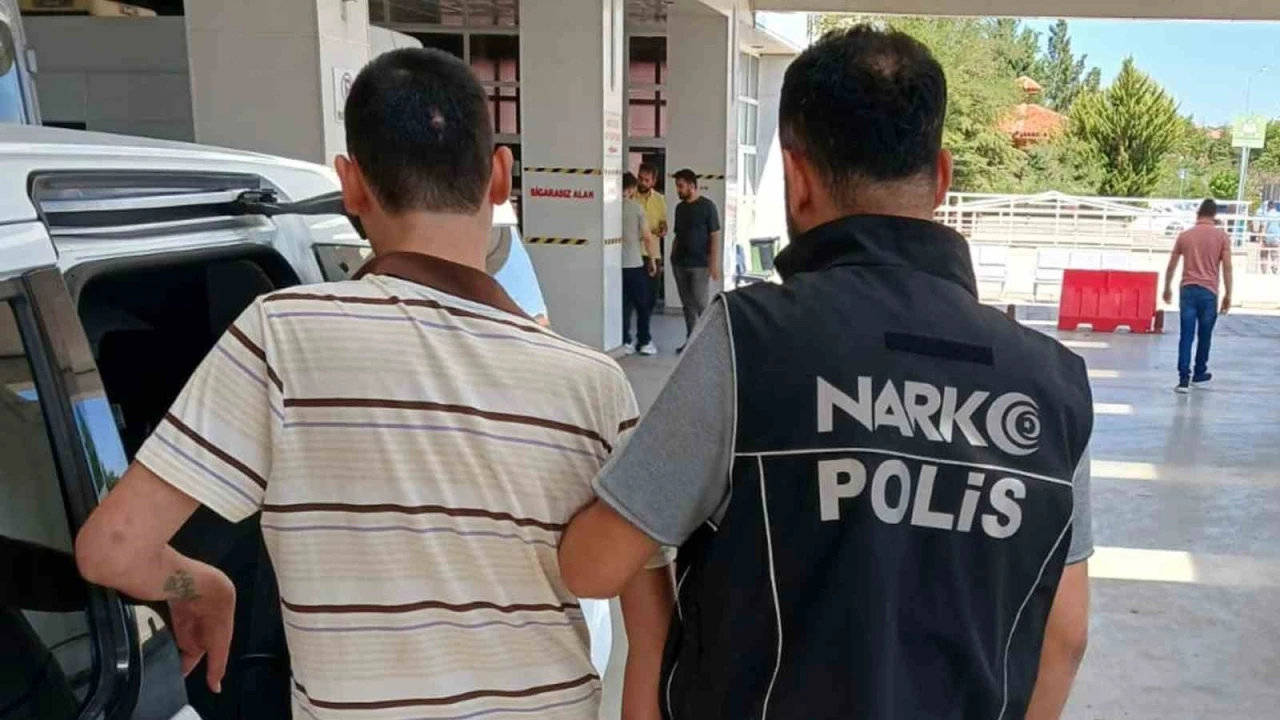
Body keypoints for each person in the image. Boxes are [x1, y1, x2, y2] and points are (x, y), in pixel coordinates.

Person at [74, 48, 673, 720]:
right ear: (501, 176)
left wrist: (197, 585)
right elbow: (652, 632)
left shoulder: (280, 338)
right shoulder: (595, 386)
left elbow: (113, 549)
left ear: (352, 184)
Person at [560, 25, 1094, 720]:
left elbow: (594, 564)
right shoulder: (1053, 384)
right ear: (940, 177)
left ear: (797, 178)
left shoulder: (749, 342)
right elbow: (1066, 636)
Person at [1163, 198, 1233, 393]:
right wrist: (1228, 294)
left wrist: (1167, 287)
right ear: (1214, 215)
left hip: (1187, 291)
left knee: (1186, 335)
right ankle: (1200, 371)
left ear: (1198, 213)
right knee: (1205, 335)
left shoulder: (1185, 236)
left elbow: (1171, 265)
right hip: (1209, 292)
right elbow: (1227, 268)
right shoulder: (1222, 237)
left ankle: (1183, 379)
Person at [670, 168, 722, 349]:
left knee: (701, 303)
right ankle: (691, 342)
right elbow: (677, 234)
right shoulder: (680, 208)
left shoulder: (708, 207)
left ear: (692, 186)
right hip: (680, 263)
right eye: (677, 186)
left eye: (681, 186)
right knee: (687, 304)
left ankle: (710, 343)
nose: (678, 190)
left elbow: (715, 235)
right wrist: (672, 256)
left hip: (700, 264)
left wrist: (714, 263)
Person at [622, 171, 660, 355]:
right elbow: (647, 237)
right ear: (631, 189)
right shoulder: (637, 208)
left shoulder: (608, 208)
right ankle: (644, 341)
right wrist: (652, 260)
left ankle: (624, 340)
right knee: (643, 304)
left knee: (623, 305)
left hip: (614, 265)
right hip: (634, 263)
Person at [635, 163, 668, 303]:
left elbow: (663, 222)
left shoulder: (660, 199)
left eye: (646, 180)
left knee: (652, 296)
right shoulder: (630, 196)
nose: (642, 183)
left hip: (653, 253)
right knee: (633, 295)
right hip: (633, 253)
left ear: (653, 181)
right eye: (640, 178)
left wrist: (663, 229)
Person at [1262, 200, 1280, 274]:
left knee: (1264, 254)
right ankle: (1275, 267)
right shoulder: (1278, 214)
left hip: (1267, 237)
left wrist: (1261, 238)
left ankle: (1264, 270)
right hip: (1276, 237)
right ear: (1274, 207)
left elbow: (1263, 226)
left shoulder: (1266, 215)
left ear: (1268, 207)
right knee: (1275, 254)